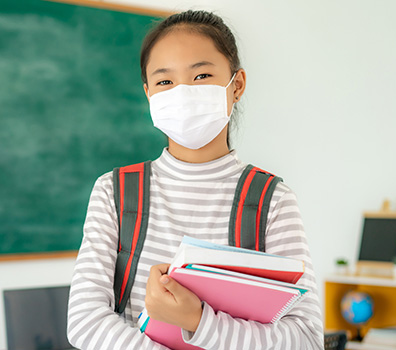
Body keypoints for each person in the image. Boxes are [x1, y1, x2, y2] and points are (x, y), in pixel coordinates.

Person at [65, 10, 322, 349]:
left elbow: (305, 339)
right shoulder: (115, 192)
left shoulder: (272, 199)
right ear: (149, 94)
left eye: (201, 75)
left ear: (237, 85)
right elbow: (85, 321)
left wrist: (197, 320)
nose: (182, 93)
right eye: (165, 82)